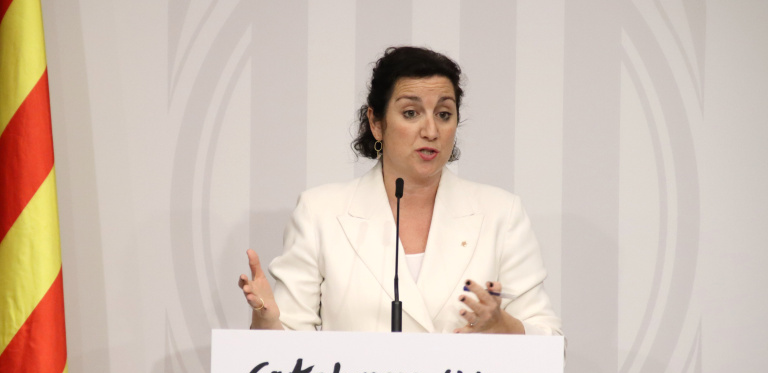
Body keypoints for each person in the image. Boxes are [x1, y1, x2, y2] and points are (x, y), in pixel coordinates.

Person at [238, 46, 562, 335]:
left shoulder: (501, 214)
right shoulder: (320, 213)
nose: (431, 130)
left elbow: (550, 345)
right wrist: (267, 322)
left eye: (444, 114)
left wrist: (507, 328)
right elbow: (288, 352)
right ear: (376, 123)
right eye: (411, 113)